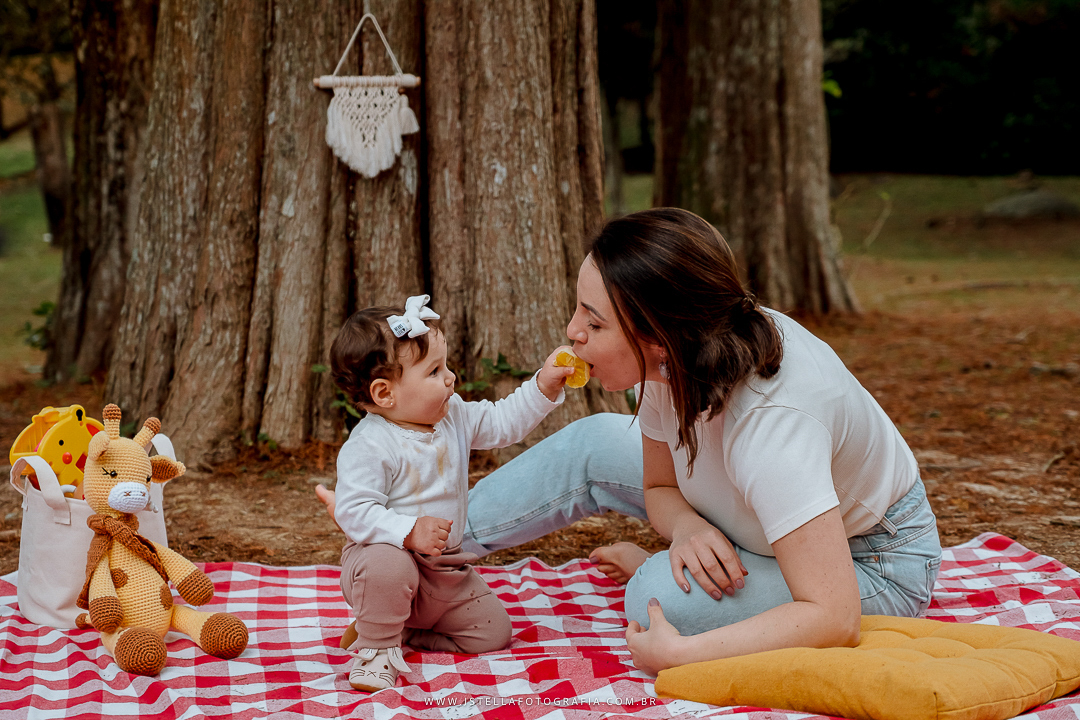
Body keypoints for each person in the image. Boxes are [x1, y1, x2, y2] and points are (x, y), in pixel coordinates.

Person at [318, 208, 941, 678]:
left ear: (655, 335)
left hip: (867, 563)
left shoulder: (775, 426)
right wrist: (687, 529)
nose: (572, 332)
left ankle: (719, 583)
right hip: (747, 508)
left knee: (654, 598)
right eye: (578, 312)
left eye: (594, 322)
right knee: (590, 441)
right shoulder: (677, 360)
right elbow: (663, 486)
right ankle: (427, 561)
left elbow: (835, 616)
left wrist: (684, 652)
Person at [328, 295, 573, 692]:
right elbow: (353, 511)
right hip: (384, 565)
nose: (450, 378)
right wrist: (409, 531)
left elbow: (502, 422)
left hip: (444, 570)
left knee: (494, 632)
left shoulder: (453, 415)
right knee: (389, 567)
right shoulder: (370, 445)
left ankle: (403, 632)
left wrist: (542, 386)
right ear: (384, 393)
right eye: (434, 371)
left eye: (446, 365)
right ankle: (375, 648)